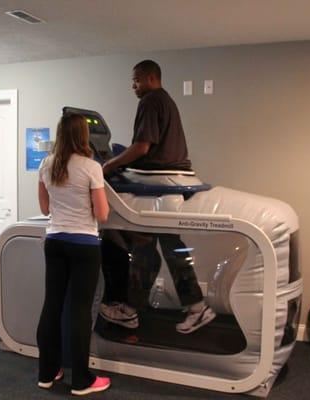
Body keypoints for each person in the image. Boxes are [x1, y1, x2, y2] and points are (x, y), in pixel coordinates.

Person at [100, 60, 216, 334]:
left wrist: (109, 165)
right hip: (174, 182)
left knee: (143, 247)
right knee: (169, 246)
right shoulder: (166, 101)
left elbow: (141, 147)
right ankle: (197, 306)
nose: (133, 86)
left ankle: (129, 311)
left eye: (136, 80)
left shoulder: (150, 101)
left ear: (151, 78)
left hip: (159, 186)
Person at [36, 113, 111, 396]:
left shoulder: (46, 164)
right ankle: (81, 381)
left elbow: (45, 209)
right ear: (83, 136)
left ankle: (47, 372)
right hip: (84, 245)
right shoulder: (91, 167)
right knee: (80, 312)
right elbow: (102, 213)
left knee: (51, 306)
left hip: (54, 242)